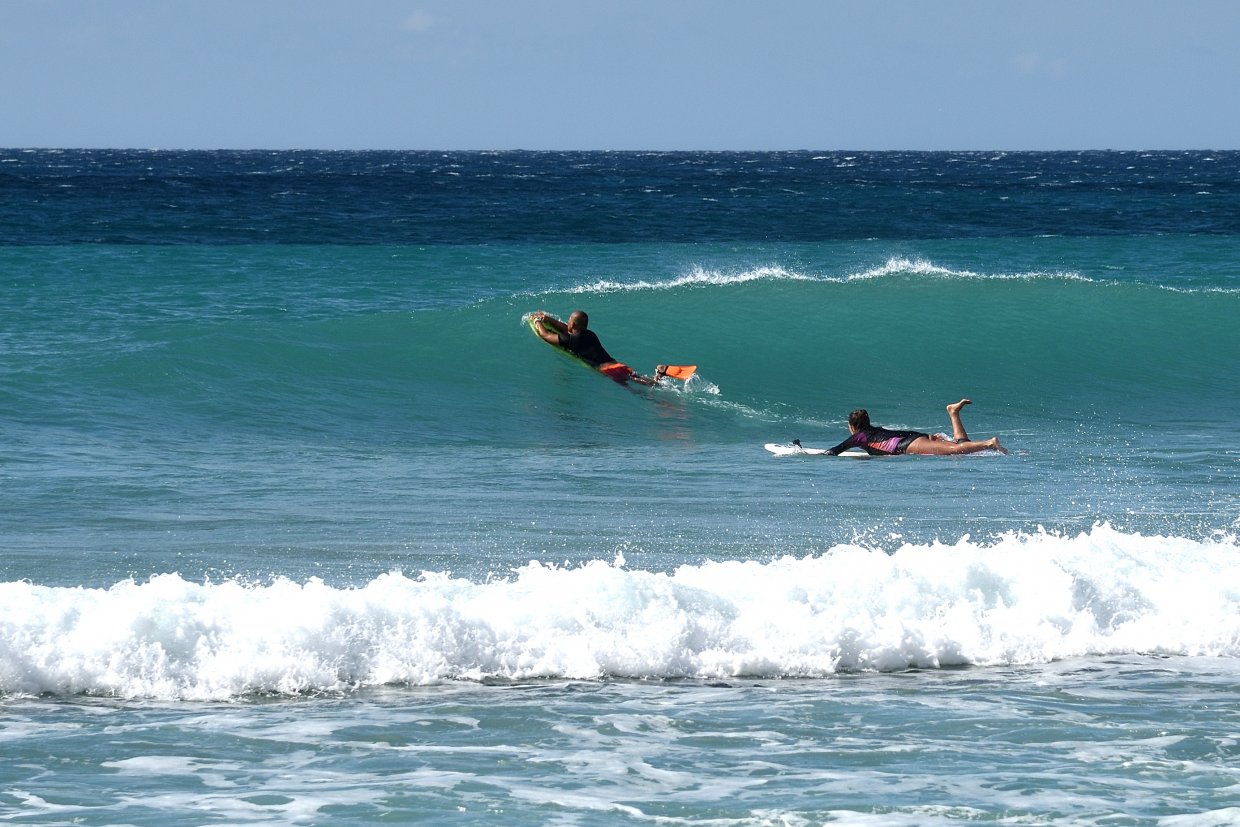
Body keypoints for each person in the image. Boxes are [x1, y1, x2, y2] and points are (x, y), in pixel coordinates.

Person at [826, 399, 1006, 456]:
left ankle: (989, 443)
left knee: (955, 450)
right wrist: (928, 437)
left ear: (852, 426)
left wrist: (800, 453)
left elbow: (834, 451)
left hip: (910, 444)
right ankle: (953, 413)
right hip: (914, 438)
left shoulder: (860, 437)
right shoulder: (874, 430)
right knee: (961, 447)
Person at [531, 310, 667, 385]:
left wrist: (537, 321)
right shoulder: (590, 334)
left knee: (636, 390)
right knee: (636, 378)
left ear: (572, 324)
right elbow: (567, 329)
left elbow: (545, 335)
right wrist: (548, 319)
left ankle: (657, 380)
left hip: (607, 370)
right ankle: (658, 376)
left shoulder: (570, 339)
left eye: (569, 321)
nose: (567, 322)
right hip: (616, 364)